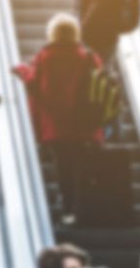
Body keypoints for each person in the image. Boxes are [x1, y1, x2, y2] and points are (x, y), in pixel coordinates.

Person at [15, 13, 104, 226]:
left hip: (57, 126)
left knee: (65, 166)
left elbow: (36, 85)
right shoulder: (89, 56)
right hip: (85, 123)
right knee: (83, 165)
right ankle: (87, 209)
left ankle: (69, 210)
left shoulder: (47, 57)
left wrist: (21, 70)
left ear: (52, 32)